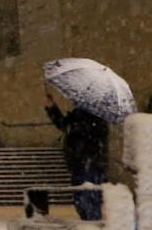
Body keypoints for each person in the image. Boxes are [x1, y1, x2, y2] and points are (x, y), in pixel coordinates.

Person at [45, 92, 109, 221]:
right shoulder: (77, 114)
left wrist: (78, 129)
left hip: (90, 161)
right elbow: (63, 124)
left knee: (89, 195)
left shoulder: (96, 115)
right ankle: (88, 221)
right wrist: (52, 108)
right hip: (78, 162)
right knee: (80, 196)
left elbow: (97, 133)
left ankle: (92, 223)